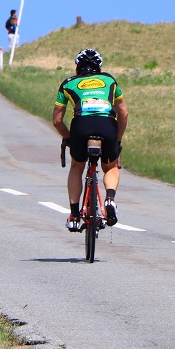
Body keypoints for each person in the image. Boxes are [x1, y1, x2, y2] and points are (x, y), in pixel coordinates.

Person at [53, 49, 129, 231]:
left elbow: (57, 121)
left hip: (81, 126)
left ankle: (74, 215)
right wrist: (117, 141)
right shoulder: (110, 81)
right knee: (110, 166)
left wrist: (70, 138)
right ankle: (110, 199)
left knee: (77, 166)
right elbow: (123, 113)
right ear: (99, 67)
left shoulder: (68, 84)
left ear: (77, 68)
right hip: (107, 125)